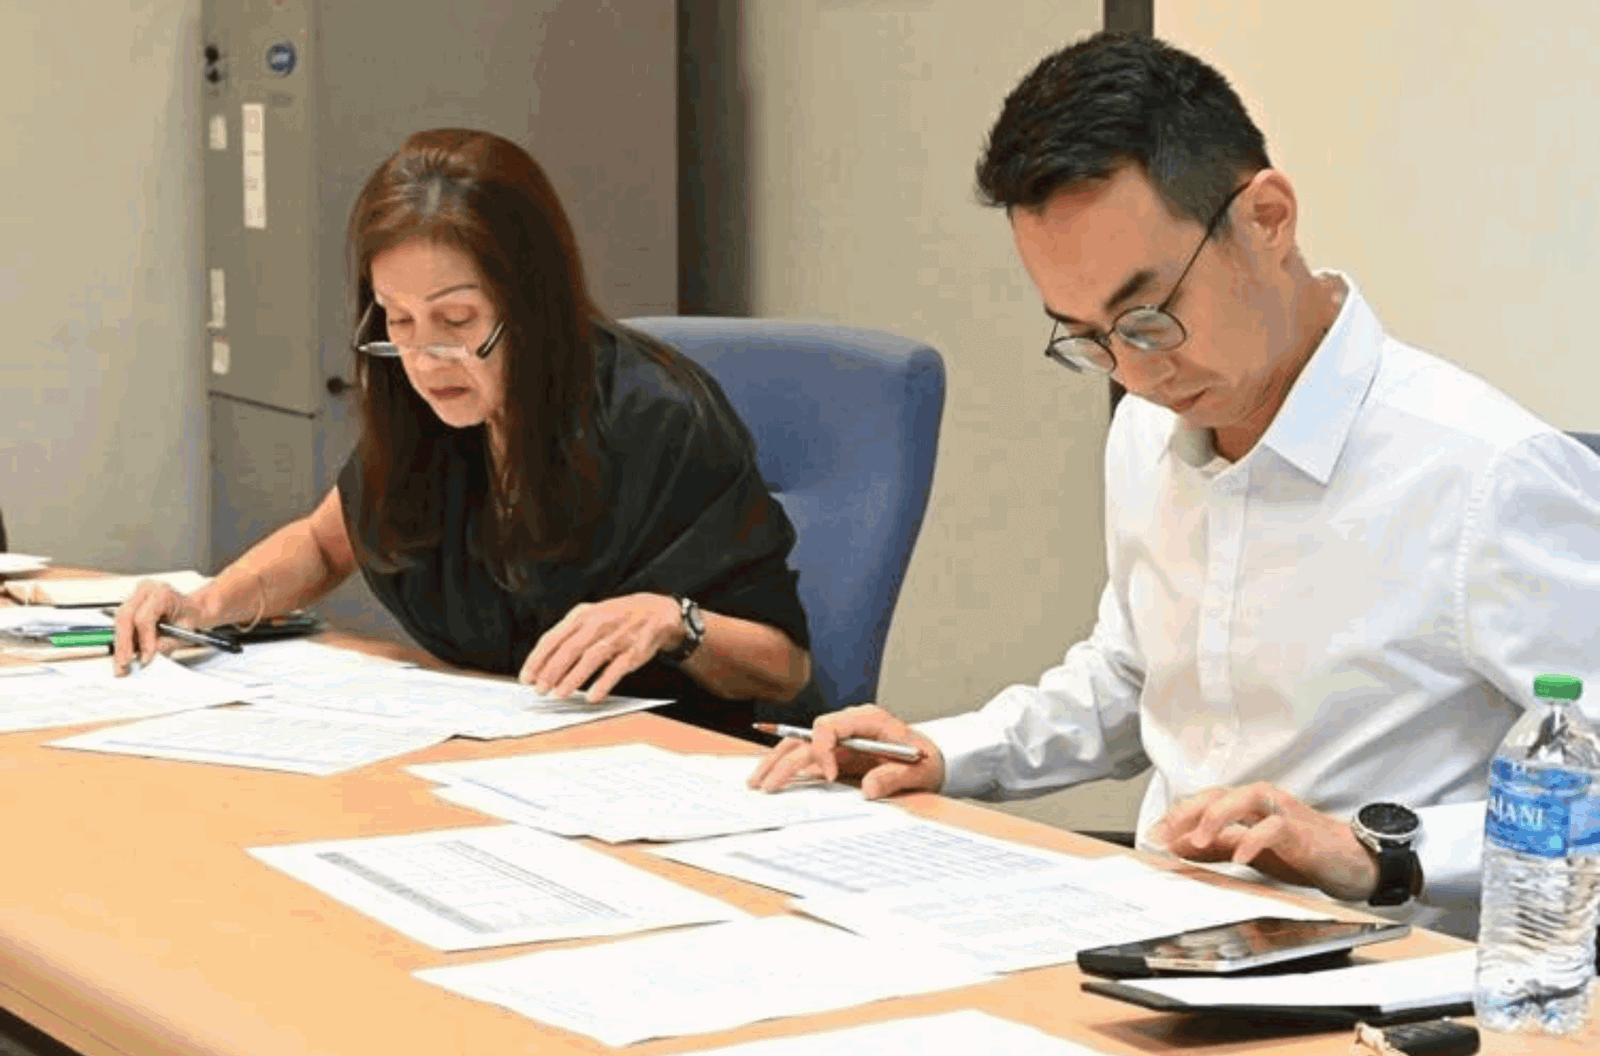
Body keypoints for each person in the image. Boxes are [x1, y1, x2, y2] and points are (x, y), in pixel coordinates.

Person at [750, 31, 1600, 938]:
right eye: (1088, 336)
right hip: (1165, 936)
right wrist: (944, 751)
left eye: (1149, 316)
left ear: (1267, 219)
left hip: (1385, 975)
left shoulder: (1486, 475)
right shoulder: (1150, 429)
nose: (1135, 372)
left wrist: (1377, 851)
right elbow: (1134, 680)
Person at [115, 128, 827, 741]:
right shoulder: (425, 405)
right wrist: (206, 606)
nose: (425, 360)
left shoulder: (657, 421)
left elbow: (783, 663)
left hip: (662, 770)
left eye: (457, 323)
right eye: (398, 320)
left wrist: (674, 620)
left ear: (533, 305)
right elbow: (326, 541)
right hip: (496, 757)